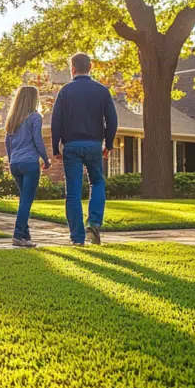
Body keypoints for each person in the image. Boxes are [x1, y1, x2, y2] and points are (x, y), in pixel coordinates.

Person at [51, 53, 118, 246]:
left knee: (72, 192)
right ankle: (94, 223)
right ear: (90, 67)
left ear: (72, 69)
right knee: (97, 182)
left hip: (71, 146)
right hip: (93, 145)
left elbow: (56, 121)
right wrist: (109, 143)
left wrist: (56, 147)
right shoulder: (101, 91)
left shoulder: (65, 91)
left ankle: (77, 238)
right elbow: (112, 120)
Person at [4, 85, 50, 248]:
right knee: (26, 201)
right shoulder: (35, 117)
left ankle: (26, 238)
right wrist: (46, 159)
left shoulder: (12, 119)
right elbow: (38, 140)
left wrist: (11, 161)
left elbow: (7, 144)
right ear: (33, 99)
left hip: (15, 164)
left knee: (24, 200)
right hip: (30, 163)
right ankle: (17, 235)